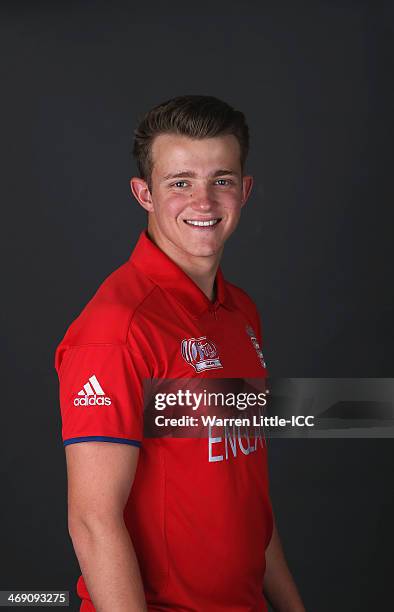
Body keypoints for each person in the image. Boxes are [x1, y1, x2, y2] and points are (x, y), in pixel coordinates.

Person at [55, 95, 305, 612]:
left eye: (222, 179)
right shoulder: (118, 328)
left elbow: (244, 490)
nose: (204, 202)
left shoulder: (240, 313)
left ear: (245, 190)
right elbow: (93, 520)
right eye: (180, 182)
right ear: (143, 193)